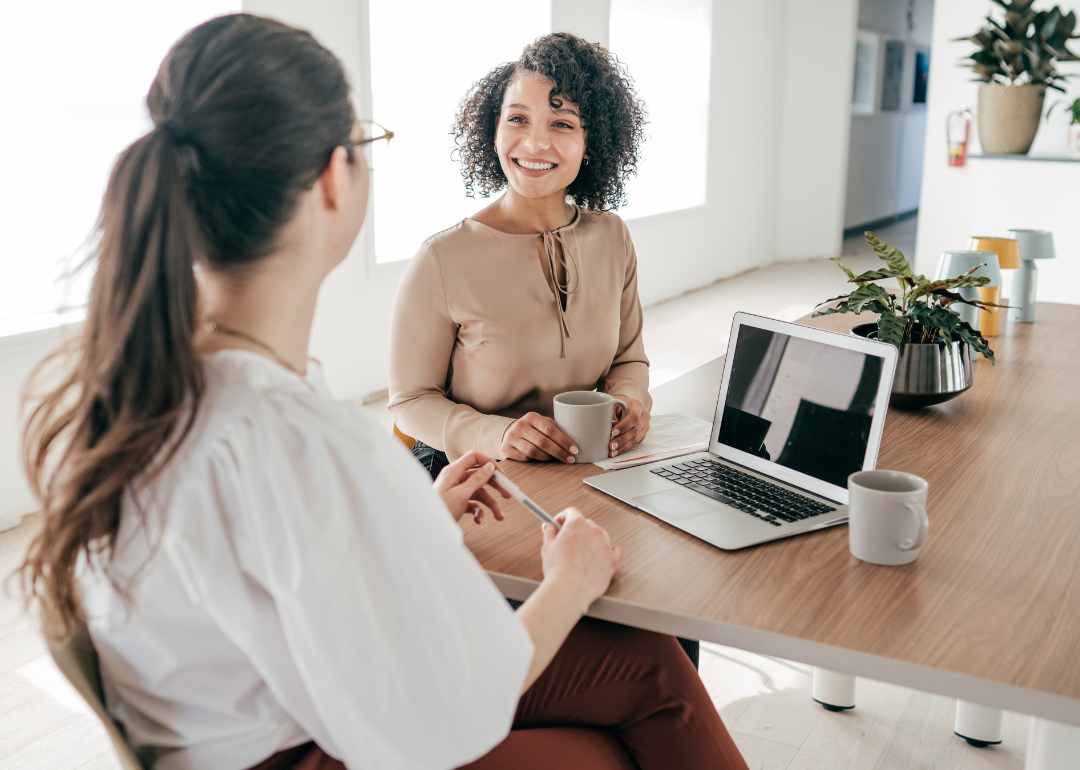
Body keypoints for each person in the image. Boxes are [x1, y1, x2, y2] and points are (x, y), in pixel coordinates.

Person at [18, 14, 747, 770]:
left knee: (648, 672)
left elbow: (277, 570)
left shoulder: (143, 389)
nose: (535, 140)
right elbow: (445, 714)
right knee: (636, 713)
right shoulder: (303, 434)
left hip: (271, 718)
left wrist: (417, 525)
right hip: (319, 745)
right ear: (336, 177)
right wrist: (571, 580)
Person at [388, 33, 653, 481]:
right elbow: (410, 402)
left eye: (562, 124)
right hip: (469, 475)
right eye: (517, 119)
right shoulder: (442, 258)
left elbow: (628, 359)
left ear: (592, 143)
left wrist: (631, 403)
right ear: (494, 130)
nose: (534, 143)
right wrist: (500, 434)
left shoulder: (612, 237)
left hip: (578, 467)